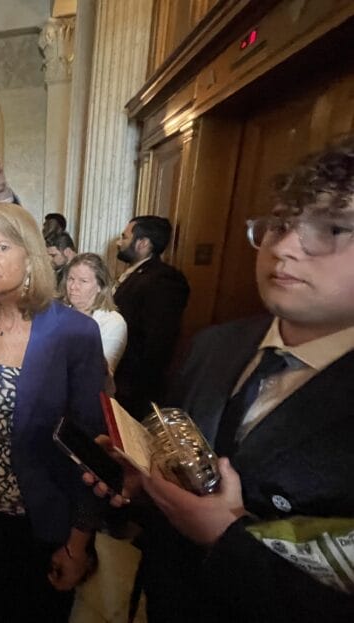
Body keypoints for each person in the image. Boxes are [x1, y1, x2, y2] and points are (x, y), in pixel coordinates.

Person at [89, 137, 354, 622]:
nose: (287, 247)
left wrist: (223, 536)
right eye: (278, 224)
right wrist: (146, 484)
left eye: (331, 228)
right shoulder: (216, 344)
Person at [0, 202, 108, 622]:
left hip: (41, 520)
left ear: (30, 254)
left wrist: (79, 542)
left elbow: (90, 446)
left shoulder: (75, 333)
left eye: (0, 247)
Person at [113, 215, 189, 419]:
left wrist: (130, 387)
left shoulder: (163, 280)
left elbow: (158, 342)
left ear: (143, 243)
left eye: (125, 236)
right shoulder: (137, 274)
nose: (119, 242)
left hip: (134, 388)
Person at [62, 253, 127, 378]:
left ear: (100, 286)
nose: (73, 287)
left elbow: (101, 372)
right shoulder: (58, 313)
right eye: (70, 279)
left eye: (83, 281)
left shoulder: (113, 322)